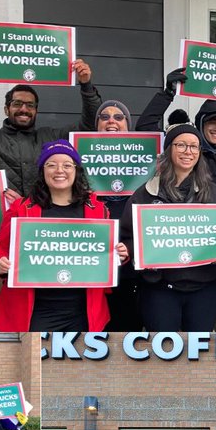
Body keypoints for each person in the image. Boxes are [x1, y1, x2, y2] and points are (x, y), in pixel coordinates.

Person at [0, 140, 127, 332]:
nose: (59, 170)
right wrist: (0, 263)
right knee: (35, 362)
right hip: (35, 309)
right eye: (51, 165)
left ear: (76, 171)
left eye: (67, 165)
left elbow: (107, 252)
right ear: (42, 171)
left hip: (82, 310)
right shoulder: (22, 208)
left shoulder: (98, 210)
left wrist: (119, 254)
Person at [0, 51, 101, 200]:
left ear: (36, 111)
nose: (24, 109)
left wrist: (86, 85)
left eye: (30, 105)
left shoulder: (50, 138)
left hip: (41, 222)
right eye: (17, 103)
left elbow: (89, 126)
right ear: (6, 109)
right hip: (1, 221)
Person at [120, 123, 216, 332]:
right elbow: (128, 237)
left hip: (203, 290)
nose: (188, 152)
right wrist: (131, 250)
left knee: (199, 354)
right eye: (181, 145)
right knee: (163, 354)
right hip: (159, 290)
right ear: (169, 148)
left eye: (194, 147)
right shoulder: (145, 194)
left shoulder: (215, 194)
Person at [135, 68, 216, 210]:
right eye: (212, 122)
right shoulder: (186, 152)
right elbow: (145, 128)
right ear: (202, 123)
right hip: (193, 226)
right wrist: (168, 93)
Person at [96, 99, 145, 332]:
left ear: (129, 124)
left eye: (118, 117)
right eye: (104, 117)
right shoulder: (79, 162)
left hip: (132, 269)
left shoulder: (146, 160)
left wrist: (132, 248)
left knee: (128, 334)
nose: (111, 121)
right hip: (93, 266)